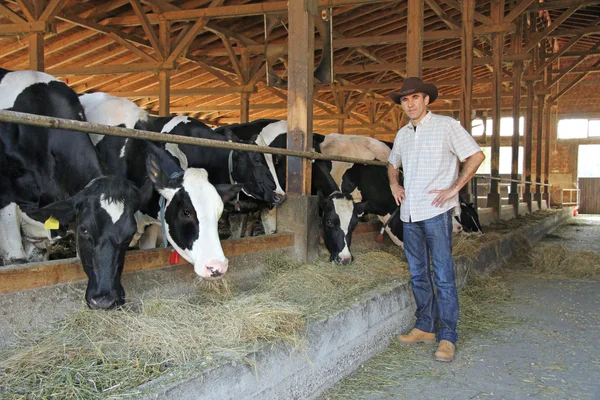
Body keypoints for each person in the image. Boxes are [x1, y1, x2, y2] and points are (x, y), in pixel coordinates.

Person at [387, 77, 485, 362]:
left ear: (426, 100)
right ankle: (425, 326)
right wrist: (394, 184)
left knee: (442, 275)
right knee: (418, 274)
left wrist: (455, 188)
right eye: (405, 99)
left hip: (435, 212)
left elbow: (476, 156)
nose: (410, 103)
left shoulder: (447, 126)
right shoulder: (403, 133)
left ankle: (448, 337)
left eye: (415, 97)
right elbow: (392, 164)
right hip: (409, 214)